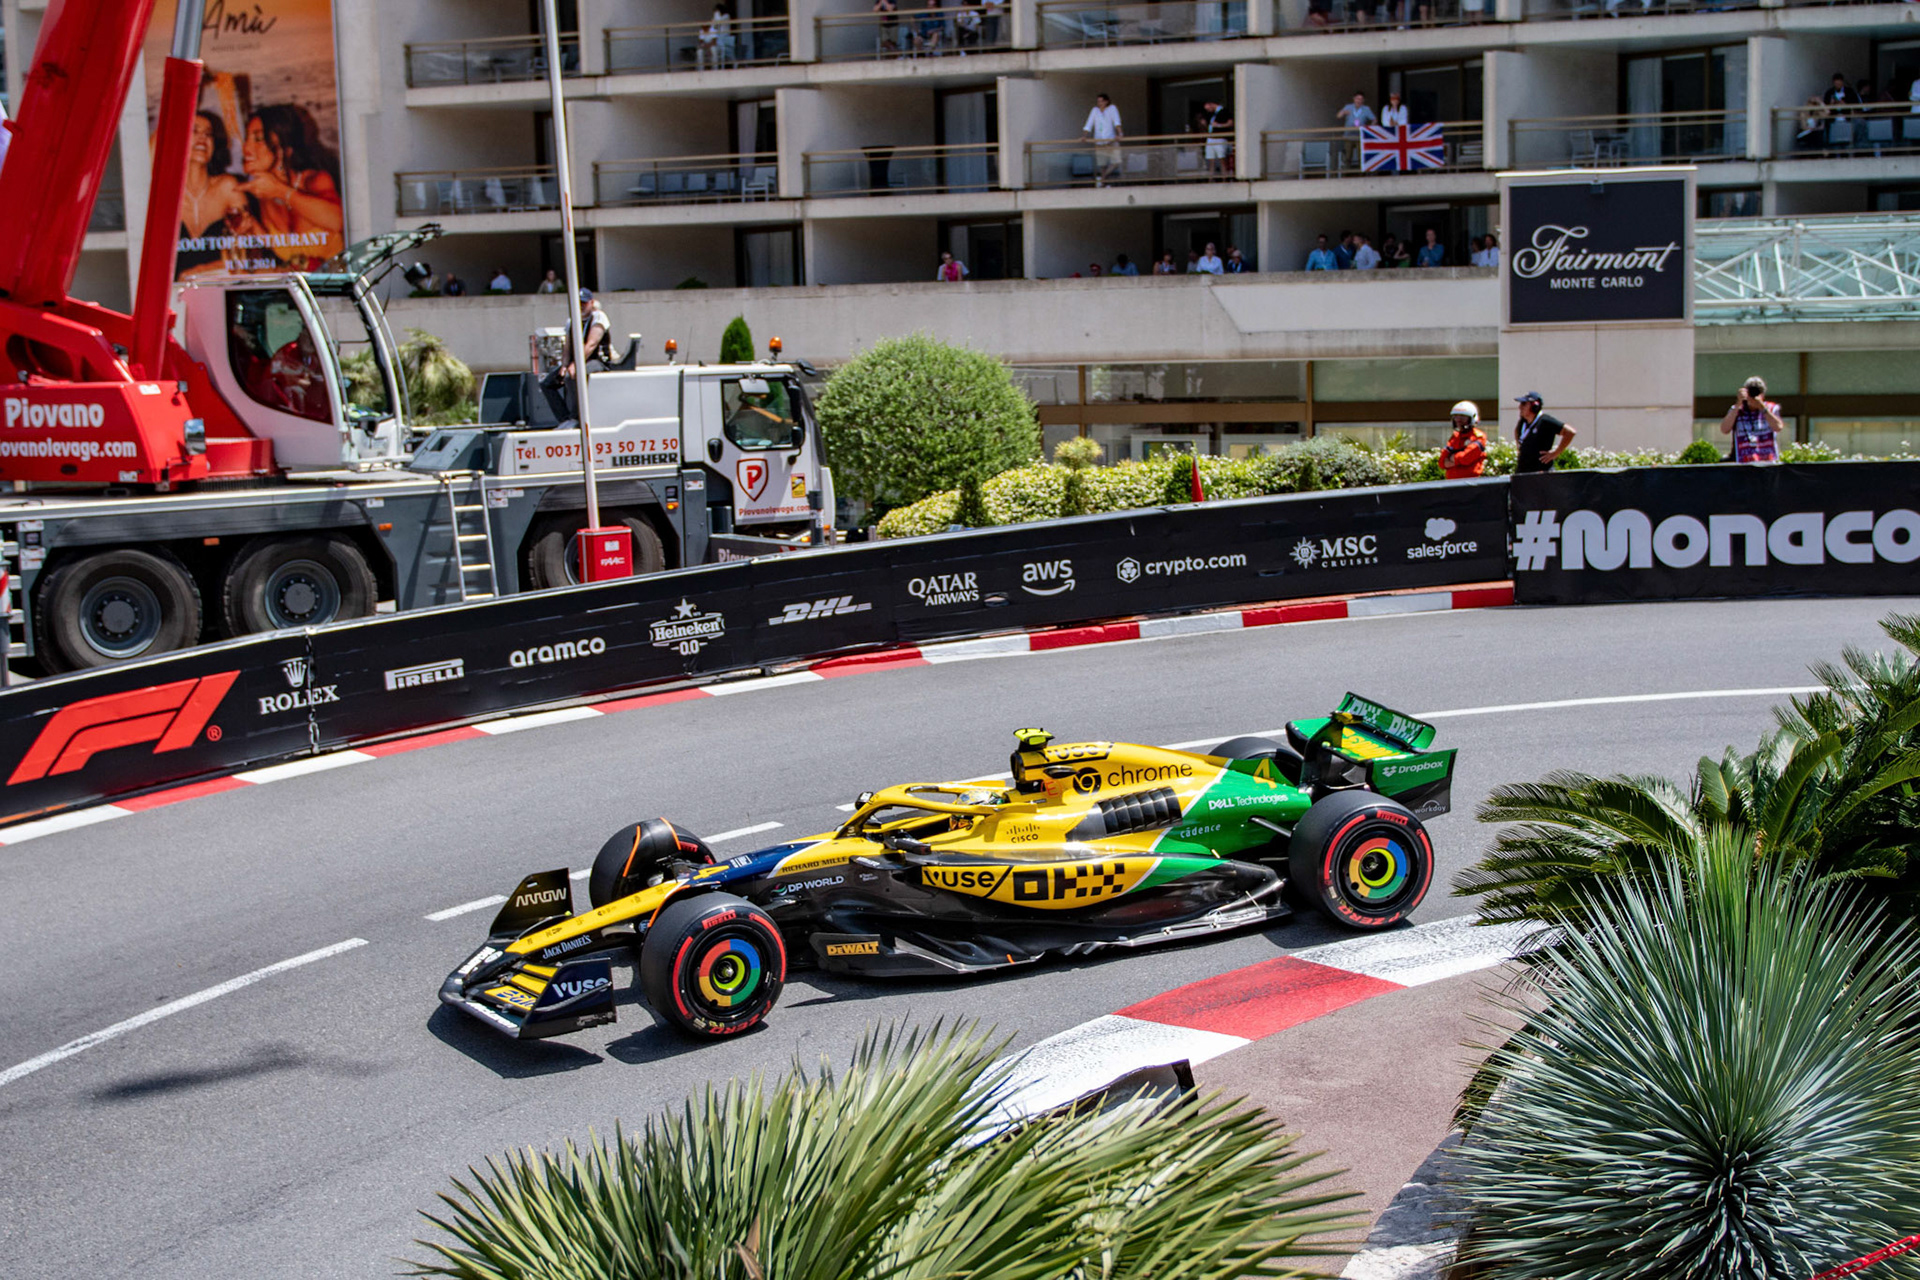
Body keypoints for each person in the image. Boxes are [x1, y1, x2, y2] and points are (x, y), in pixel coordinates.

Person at [231, 103, 344, 269]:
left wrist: (281, 191)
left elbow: (339, 221)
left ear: (285, 149)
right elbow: (284, 254)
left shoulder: (315, 181)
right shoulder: (263, 196)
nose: (246, 148)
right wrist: (252, 230)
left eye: (258, 139)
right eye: (247, 138)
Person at [177, 111, 245, 279]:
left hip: (219, 288)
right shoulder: (164, 194)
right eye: (194, 131)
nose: (202, 138)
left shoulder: (227, 187)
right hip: (171, 296)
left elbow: (246, 257)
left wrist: (197, 273)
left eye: (208, 134)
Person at [540, 289, 615, 425]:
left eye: (584, 303)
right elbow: (568, 347)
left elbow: (591, 344)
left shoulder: (598, 317)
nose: (581, 306)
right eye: (578, 303)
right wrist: (564, 365)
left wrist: (575, 365)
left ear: (591, 303)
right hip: (577, 361)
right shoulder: (572, 320)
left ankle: (577, 417)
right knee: (547, 383)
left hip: (598, 361)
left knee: (571, 376)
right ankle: (564, 418)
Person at [1720, 375, 1786, 463]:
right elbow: (1724, 429)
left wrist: (1762, 408)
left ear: (1763, 395)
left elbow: (1778, 427)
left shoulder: (1770, 408)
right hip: (1744, 463)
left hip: (1767, 462)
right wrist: (1738, 404)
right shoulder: (1737, 410)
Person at [1513, 392, 1575, 473]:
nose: (1520, 407)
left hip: (1541, 472)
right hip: (1523, 471)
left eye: (1524, 404)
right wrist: (1520, 447)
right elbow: (1516, 431)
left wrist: (1556, 453)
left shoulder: (1545, 421)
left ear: (1534, 406)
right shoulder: (1523, 422)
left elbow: (1570, 432)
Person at [1438, 402, 1488, 479]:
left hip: (1470, 483)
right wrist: (1457, 459)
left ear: (1472, 418)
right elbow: (1442, 462)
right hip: (1451, 483)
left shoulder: (1478, 437)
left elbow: (1465, 458)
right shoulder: (1455, 437)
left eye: (1463, 416)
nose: (1458, 420)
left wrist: (1452, 458)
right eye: (1456, 416)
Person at [1083, 92, 1124, 186]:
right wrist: (1084, 136)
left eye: (1101, 101)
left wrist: (1120, 133)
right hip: (1099, 141)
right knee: (1102, 165)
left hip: (1111, 139)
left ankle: (1102, 179)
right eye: (1098, 101)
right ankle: (1103, 182)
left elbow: (1116, 121)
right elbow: (1089, 123)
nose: (1099, 103)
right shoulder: (1095, 110)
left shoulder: (1112, 108)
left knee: (1116, 162)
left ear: (1106, 101)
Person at [1337, 91, 1376, 167]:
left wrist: (1370, 127)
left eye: (1361, 99)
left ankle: (1361, 174)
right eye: (1357, 98)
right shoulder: (1348, 107)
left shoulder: (1366, 109)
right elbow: (1338, 116)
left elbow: (1374, 119)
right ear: (1354, 99)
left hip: (1360, 136)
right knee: (1348, 156)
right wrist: (1343, 112)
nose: (1359, 101)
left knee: (1361, 156)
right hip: (1348, 135)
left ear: (1363, 100)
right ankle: (1347, 174)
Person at [1201, 99, 1234, 179]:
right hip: (1211, 137)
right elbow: (1210, 126)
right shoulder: (1211, 114)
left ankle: (1224, 177)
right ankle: (1211, 177)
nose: (1208, 110)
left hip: (1220, 138)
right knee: (1210, 159)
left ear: (1212, 104)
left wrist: (1219, 125)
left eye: (1208, 108)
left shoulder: (1224, 111)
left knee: (1222, 158)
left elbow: (1230, 123)